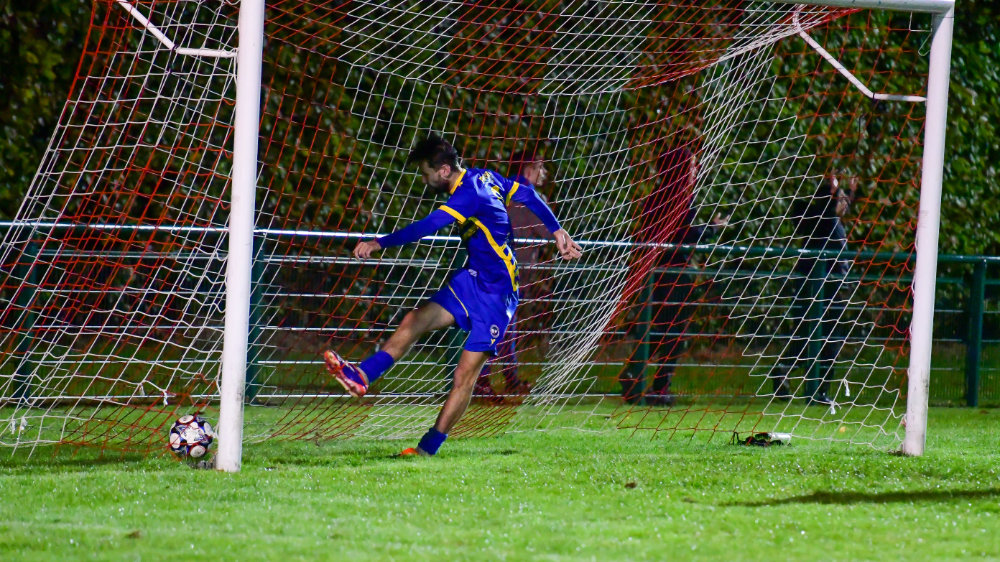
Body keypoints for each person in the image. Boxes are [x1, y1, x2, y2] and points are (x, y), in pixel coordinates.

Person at [324, 134, 582, 456]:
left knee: (464, 376)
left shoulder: (468, 195)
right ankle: (363, 375)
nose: (425, 179)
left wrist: (379, 243)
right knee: (415, 320)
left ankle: (427, 449)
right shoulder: (484, 177)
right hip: (472, 281)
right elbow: (527, 193)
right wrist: (557, 230)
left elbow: (426, 226)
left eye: (426, 173)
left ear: (444, 171)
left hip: (497, 294)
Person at [619, 148, 726, 406]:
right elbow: (682, 234)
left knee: (661, 328)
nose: (695, 170)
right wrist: (711, 228)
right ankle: (655, 385)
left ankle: (638, 377)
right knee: (673, 331)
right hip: (671, 271)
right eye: (691, 165)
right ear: (679, 169)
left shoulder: (660, 195)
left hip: (659, 269)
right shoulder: (676, 197)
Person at [770, 172, 858, 405]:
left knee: (811, 336)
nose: (845, 204)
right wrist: (833, 192)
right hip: (823, 291)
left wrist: (849, 192)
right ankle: (817, 390)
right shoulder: (825, 222)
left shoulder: (827, 222)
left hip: (823, 290)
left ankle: (786, 371)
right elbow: (827, 210)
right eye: (841, 199)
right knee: (824, 340)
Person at [474, 149, 553, 401]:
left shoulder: (499, 190)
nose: (544, 172)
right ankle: (483, 381)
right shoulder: (528, 196)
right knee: (500, 327)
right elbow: (548, 231)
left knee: (504, 326)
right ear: (529, 169)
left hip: (491, 266)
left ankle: (508, 379)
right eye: (541, 167)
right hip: (509, 271)